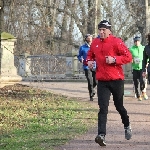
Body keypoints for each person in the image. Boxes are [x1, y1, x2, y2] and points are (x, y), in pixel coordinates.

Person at [86, 20, 132, 146]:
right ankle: (101, 135)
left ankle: (127, 124)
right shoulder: (95, 43)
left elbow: (128, 57)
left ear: (109, 31)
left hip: (116, 80)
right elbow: (89, 56)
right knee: (103, 108)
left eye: (104, 30)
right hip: (102, 81)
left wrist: (115, 59)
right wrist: (89, 61)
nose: (101, 32)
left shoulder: (116, 41)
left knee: (119, 106)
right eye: (100, 30)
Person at [77, 34, 97, 101]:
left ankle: (92, 89)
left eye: (90, 38)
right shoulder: (82, 47)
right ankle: (91, 95)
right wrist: (81, 59)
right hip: (86, 66)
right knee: (90, 81)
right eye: (88, 38)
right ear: (86, 39)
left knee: (96, 81)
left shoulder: (95, 46)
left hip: (94, 65)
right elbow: (79, 56)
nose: (90, 39)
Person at [130, 36, 148, 101]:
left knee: (142, 80)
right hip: (135, 68)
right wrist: (131, 60)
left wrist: (147, 63)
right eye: (135, 41)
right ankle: (138, 95)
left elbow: (147, 56)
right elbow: (128, 57)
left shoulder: (143, 48)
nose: (136, 42)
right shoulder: (131, 49)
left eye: (137, 41)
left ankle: (143, 91)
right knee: (136, 83)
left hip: (142, 68)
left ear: (140, 41)